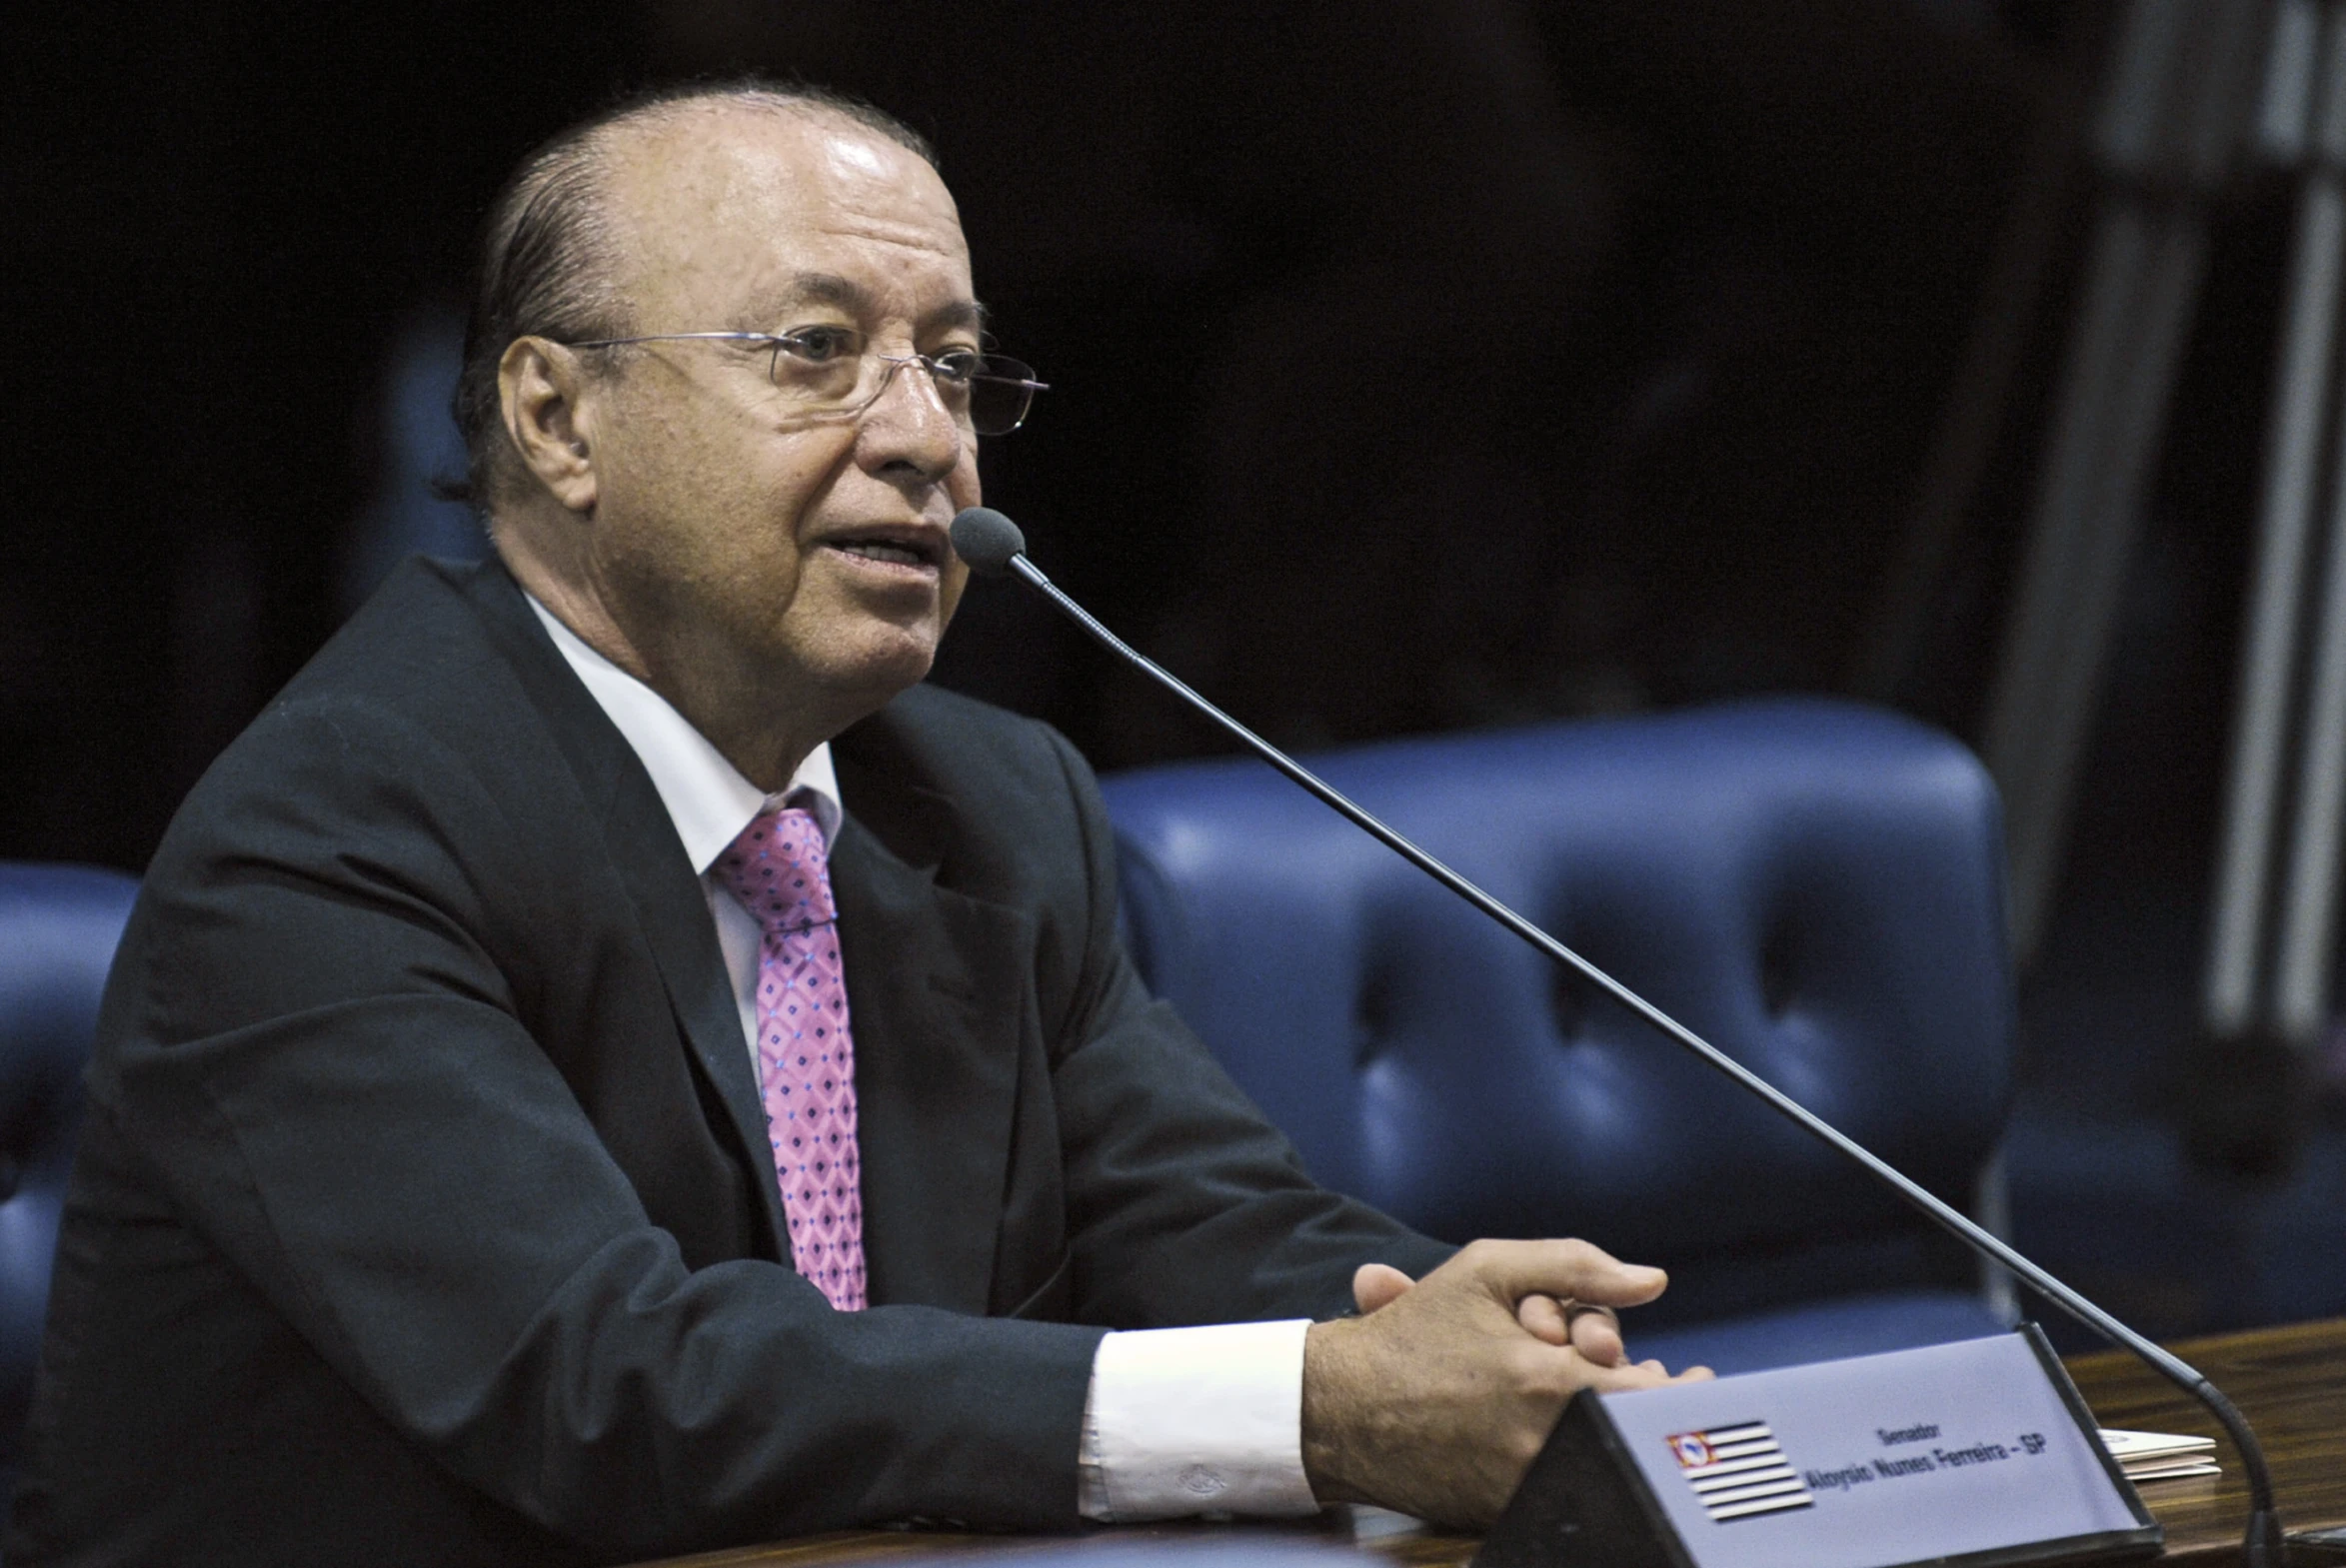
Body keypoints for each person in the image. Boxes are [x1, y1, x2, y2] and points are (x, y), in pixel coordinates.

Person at [7, 84, 1701, 1566]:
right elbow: (619, 1392)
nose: (923, 440)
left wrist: (1483, 1353)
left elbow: (1201, 1220)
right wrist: (1320, 1414)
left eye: (956, 369)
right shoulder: (331, 838)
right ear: (554, 417)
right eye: (814, 353)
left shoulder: (987, 798)